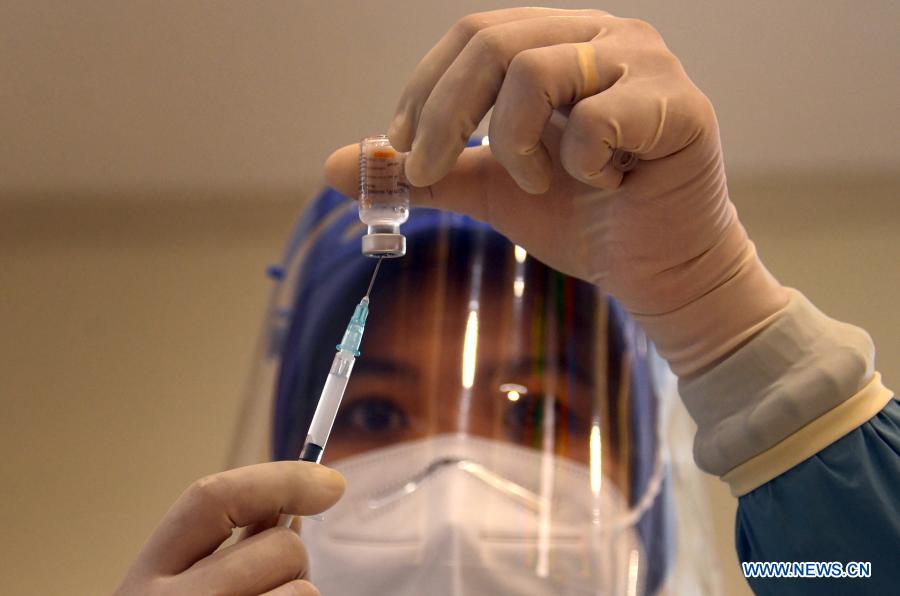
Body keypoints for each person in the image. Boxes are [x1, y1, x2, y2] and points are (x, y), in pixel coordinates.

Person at [115, 8, 899, 595]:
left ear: (640, 496)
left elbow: (859, 567)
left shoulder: (802, 561)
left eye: (534, 412)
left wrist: (732, 327)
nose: (455, 499)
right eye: (380, 414)